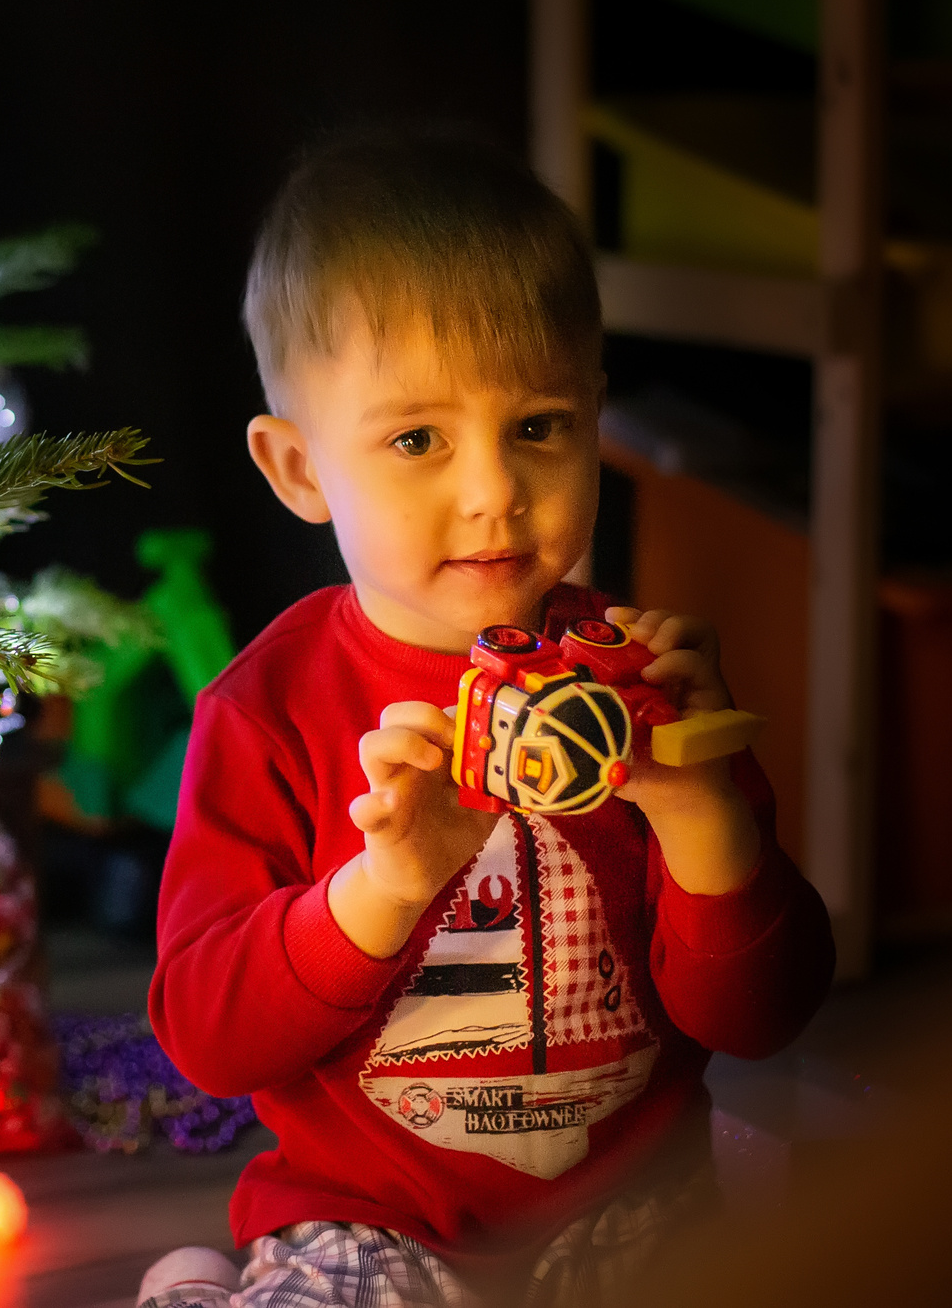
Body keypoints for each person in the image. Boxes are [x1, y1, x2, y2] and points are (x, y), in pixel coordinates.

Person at [140, 129, 835, 1308]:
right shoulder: (264, 709)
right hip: (373, 1220)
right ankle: (193, 1286)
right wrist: (381, 888)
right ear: (299, 468)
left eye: (539, 425)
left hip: (639, 1206)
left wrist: (702, 818)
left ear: (595, 420)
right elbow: (206, 1035)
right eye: (417, 438)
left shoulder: (650, 688)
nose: (493, 489)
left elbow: (765, 1016)